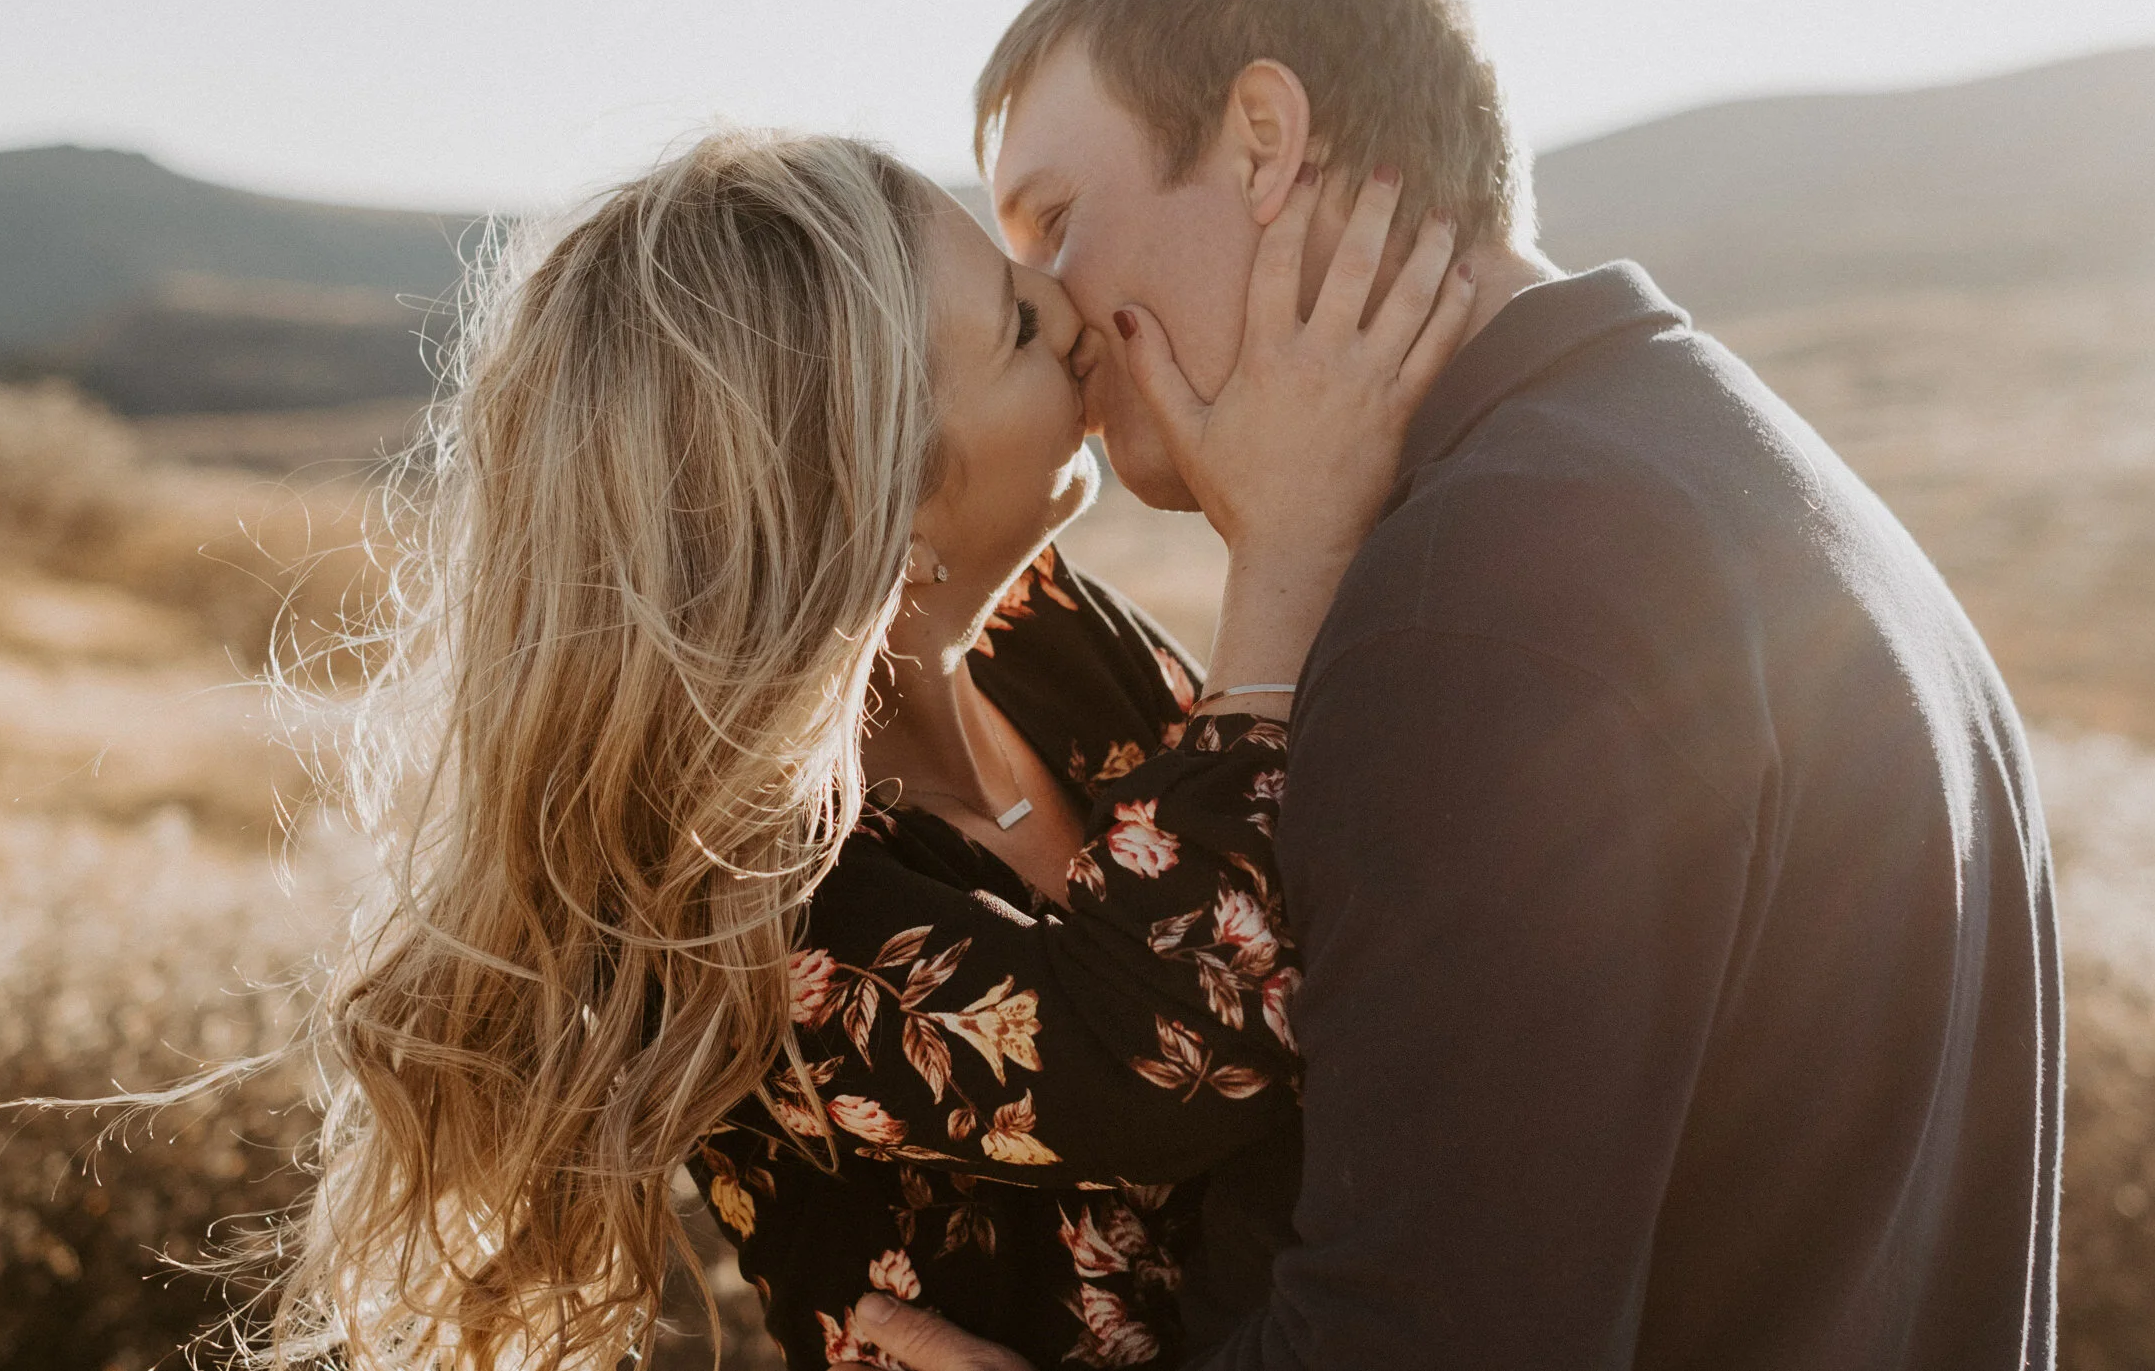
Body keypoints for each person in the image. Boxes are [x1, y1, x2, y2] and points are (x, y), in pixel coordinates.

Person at [838, 0, 2062, 1371]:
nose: (1055, 304)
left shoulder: (1471, 616)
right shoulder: (1730, 468)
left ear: (1263, 142)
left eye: (1055, 219)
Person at [261, 128, 1473, 1371]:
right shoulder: (742, 904)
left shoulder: (1042, 635)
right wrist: (1290, 547)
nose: (1068, 311)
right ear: (879, 507)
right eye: (1015, 326)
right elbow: (1164, 1052)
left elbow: (1293, 882)